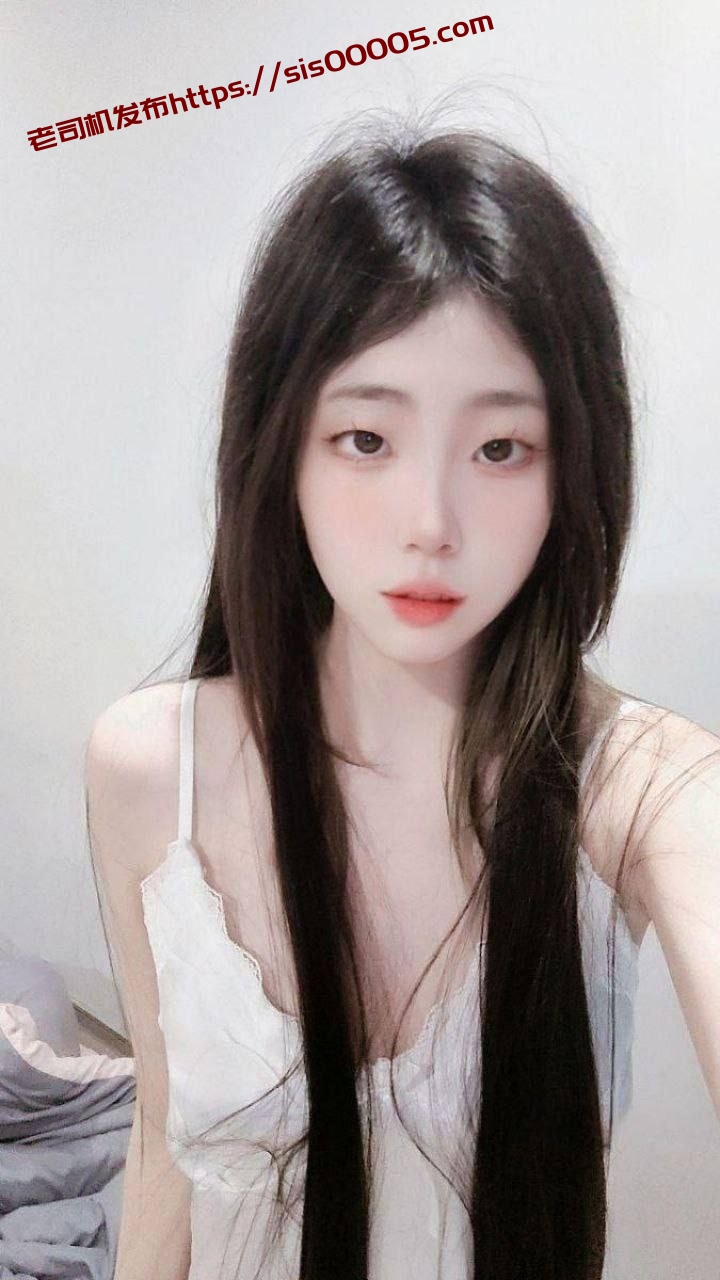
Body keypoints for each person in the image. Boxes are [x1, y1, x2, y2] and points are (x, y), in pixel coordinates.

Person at [84, 118, 720, 1280]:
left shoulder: (639, 786)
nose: (431, 521)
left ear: (573, 465)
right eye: (367, 436)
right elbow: (163, 1131)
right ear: (282, 448)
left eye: (501, 448)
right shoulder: (150, 766)